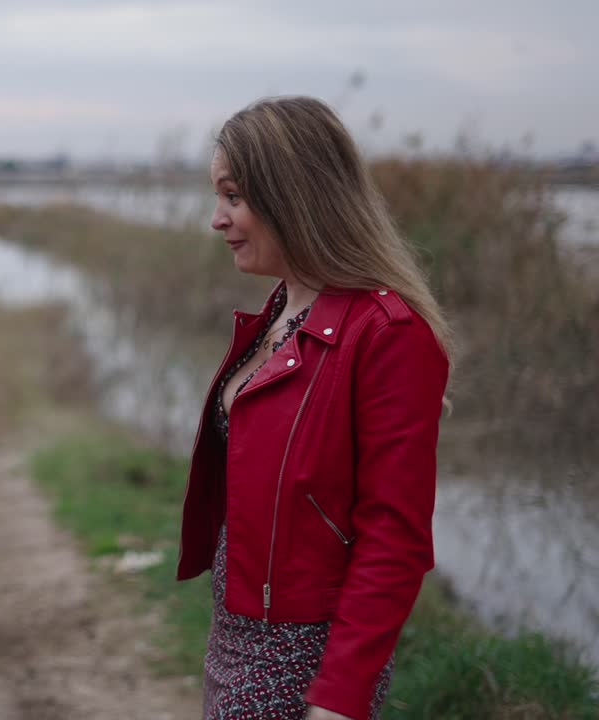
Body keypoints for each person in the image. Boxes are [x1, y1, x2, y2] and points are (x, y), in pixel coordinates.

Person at [177, 96, 452, 720]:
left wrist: (339, 699)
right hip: (236, 637)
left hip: (305, 657)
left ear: (293, 197)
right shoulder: (281, 309)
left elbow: (395, 536)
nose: (217, 219)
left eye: (234, 197)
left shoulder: (388, 333)